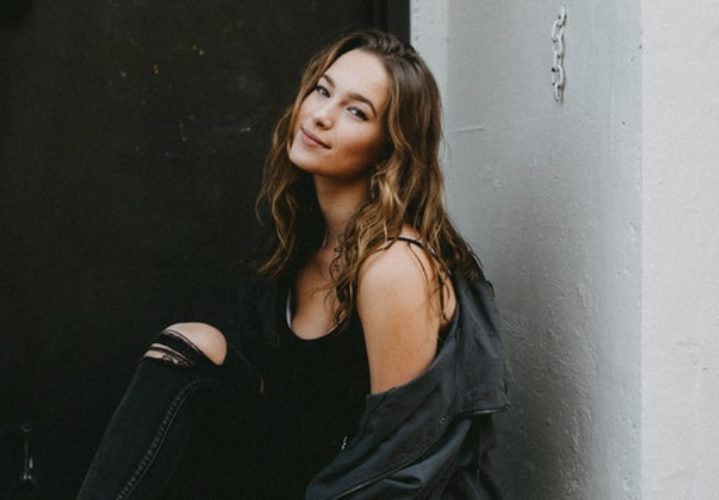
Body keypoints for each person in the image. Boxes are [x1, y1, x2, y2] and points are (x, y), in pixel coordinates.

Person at [76, 29, 509, 500]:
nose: (322, 116)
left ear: (389, 148)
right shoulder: (303, 243)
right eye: (323, 91)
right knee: (192, 344)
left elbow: (398, 464)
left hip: (366, 493)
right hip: (299, 479)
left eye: (356, 111)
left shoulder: (394, 265)